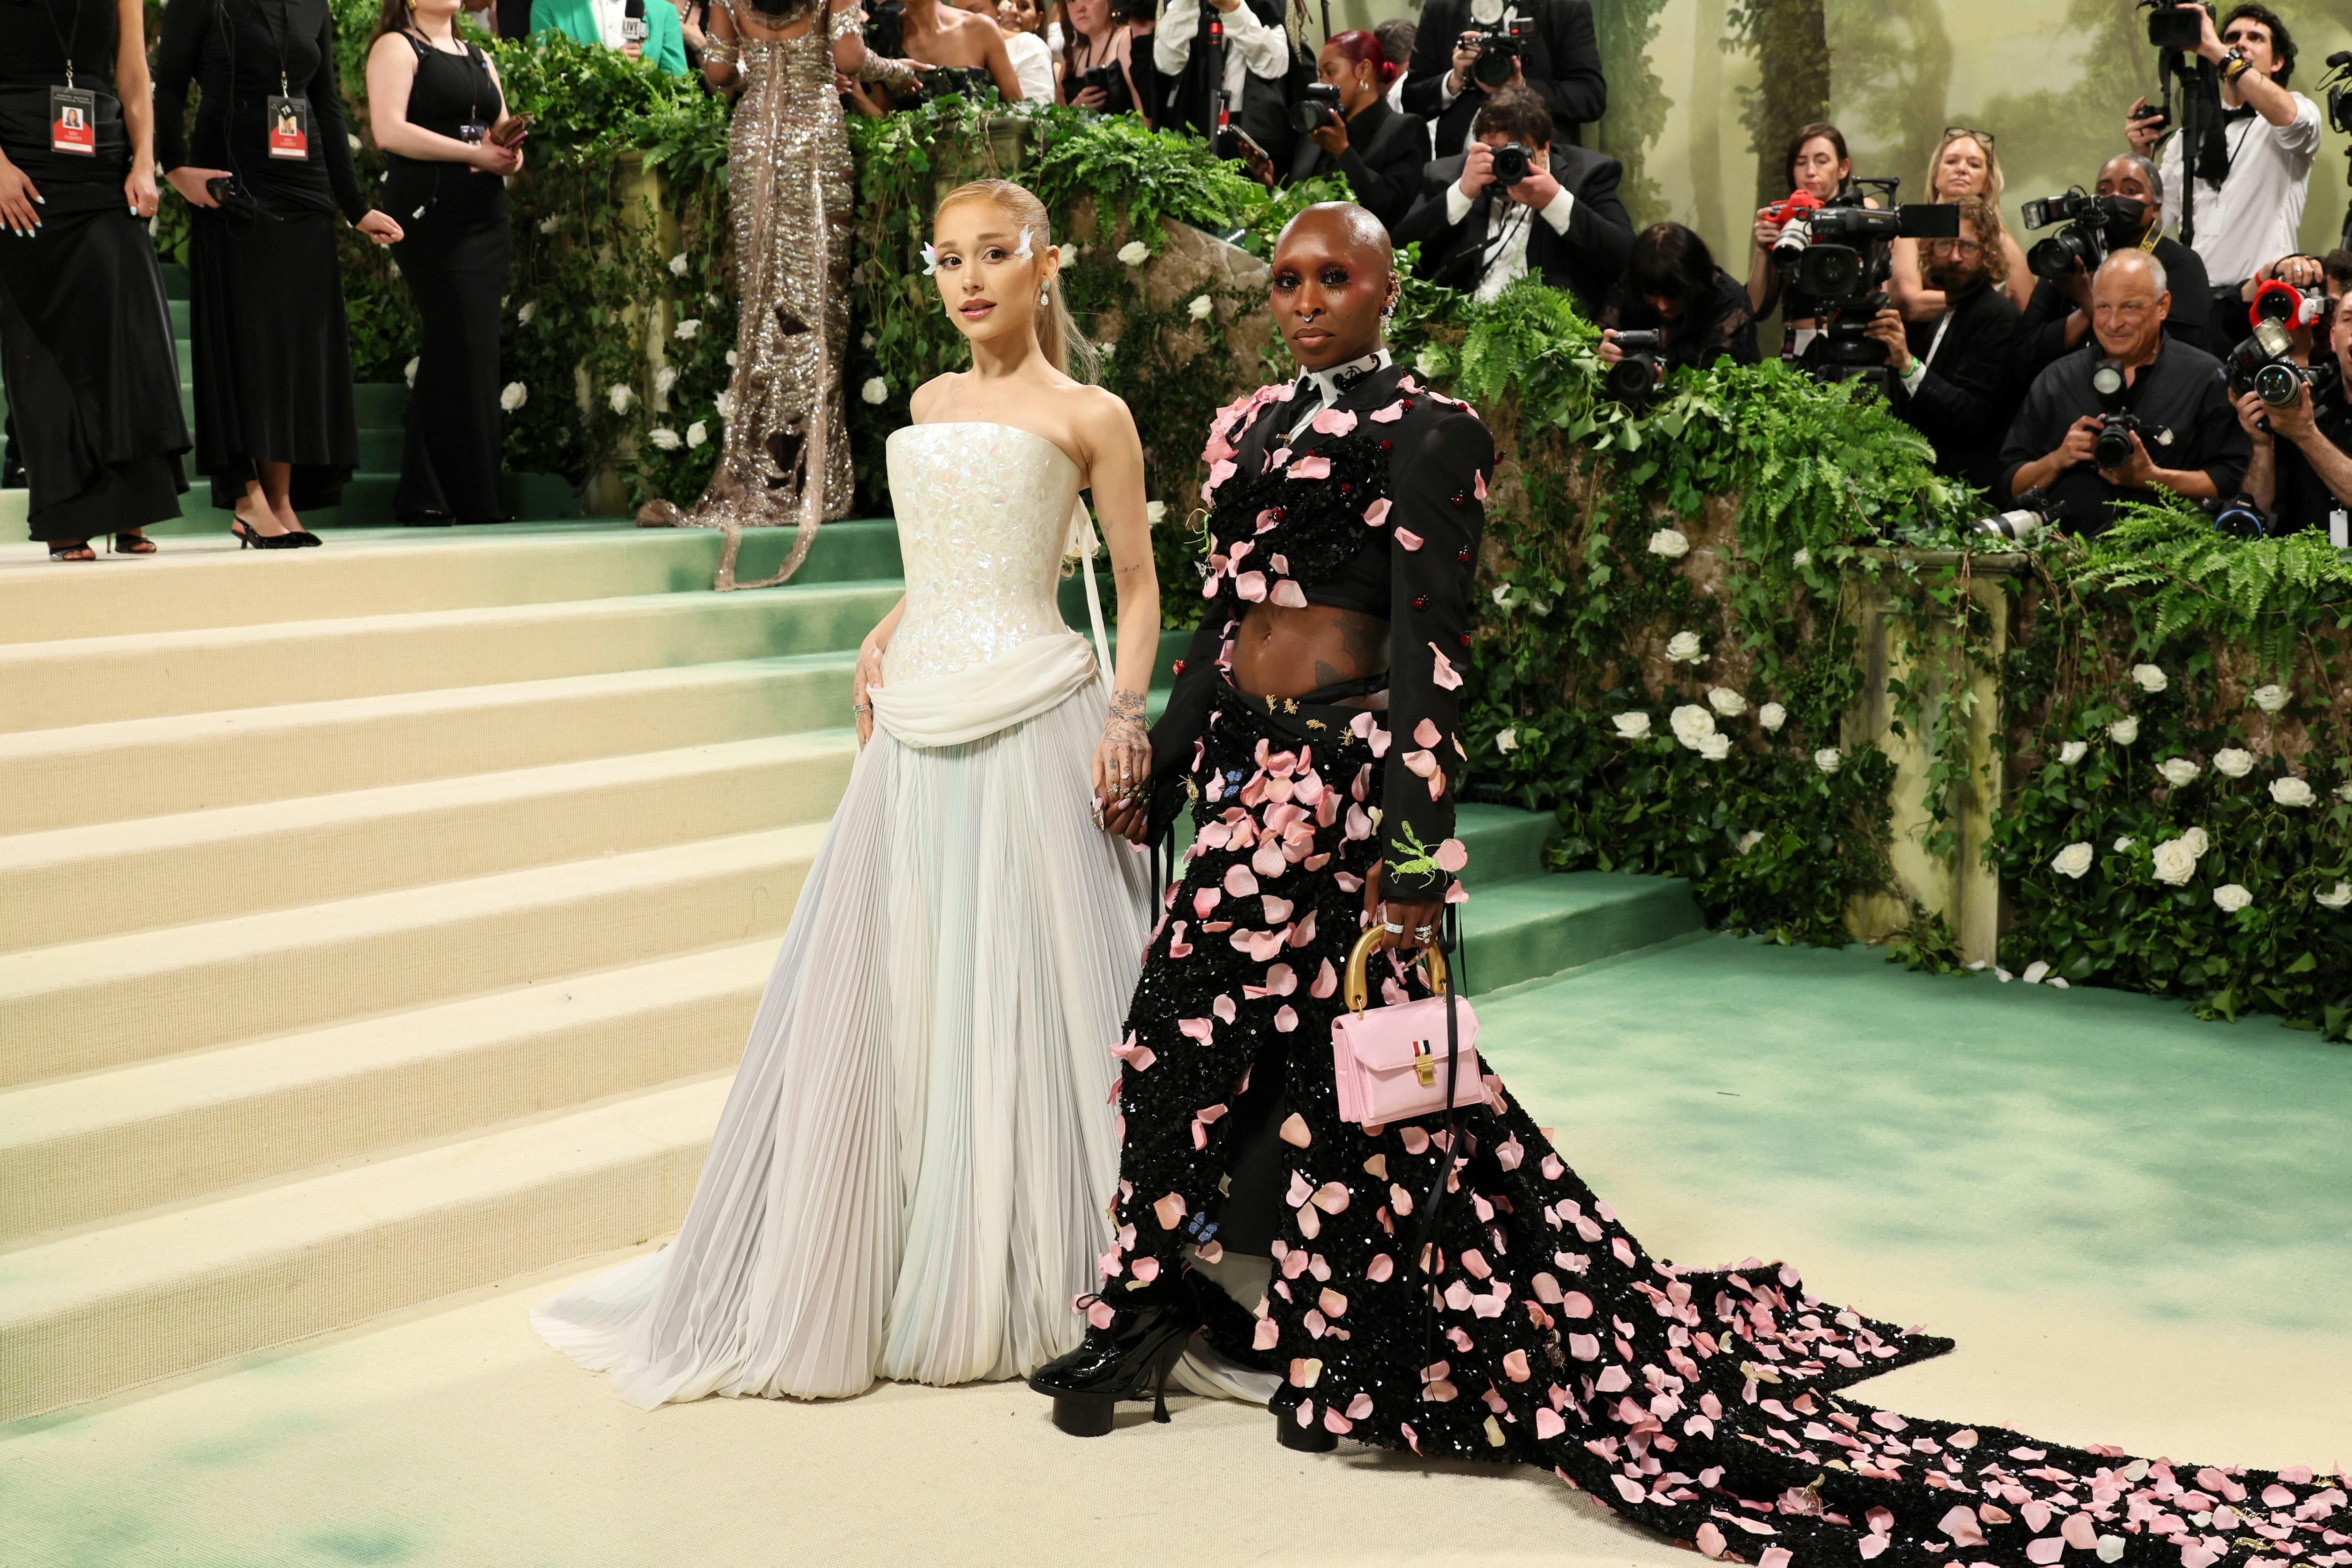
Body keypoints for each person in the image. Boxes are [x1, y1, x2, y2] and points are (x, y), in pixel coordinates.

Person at [1025, 204, 2340, 1568]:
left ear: (1385, 289)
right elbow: (1222, 620)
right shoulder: (1242, 424)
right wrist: (1169, 767)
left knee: (1351, 1075)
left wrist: (1415, 858)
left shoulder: (1434, 426)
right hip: (1242, 777)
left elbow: (1431, 651)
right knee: (1192, 1040)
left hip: (1351, 792)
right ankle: (1152, 1303)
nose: (1304, 298)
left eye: (1333, 276)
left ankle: (1347, 1344)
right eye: (1288, 277)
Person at [536, 178, 1161, 1404]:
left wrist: (1129, 714)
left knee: (1030, 990)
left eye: (993, 253)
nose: (968, 279)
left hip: (1038, 710)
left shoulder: (1095, 414)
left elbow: (1135, 582)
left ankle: (1043, 1265)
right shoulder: (930, 402)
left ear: (1045, 264)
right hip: (917, 714)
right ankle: (885, 1247)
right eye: (946, 259)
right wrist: (885, 629)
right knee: (900, 985)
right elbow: (946, 563)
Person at [637, 0, 916, 535]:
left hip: (753, 146)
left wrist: (750, 68)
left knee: (765, 307)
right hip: (814, 139)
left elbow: (717, 71)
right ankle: (810, 475)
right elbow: (850, 59)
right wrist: (895, 71)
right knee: (818, 305)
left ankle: (767, 472)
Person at [155, 0, 403, 549]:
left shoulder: (313, 4)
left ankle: (282, 500)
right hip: (232, 181)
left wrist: (354, 205)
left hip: (304, 184)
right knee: (247, 344)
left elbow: (327, 102)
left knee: (292, 352)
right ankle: (248, 499)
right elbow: (167, 86)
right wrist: (174, 169)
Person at [0, 0, 189, 562]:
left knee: (129, 332)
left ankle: (130, 507)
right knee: (42, 337)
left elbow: (132, 73)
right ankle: (66, 515)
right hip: (21, 158)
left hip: (103, 154)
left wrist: (143, 159)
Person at [367, 0, 524, 526]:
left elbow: (498, 124)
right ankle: (424, 491)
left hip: (485, 216)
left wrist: (508, 152)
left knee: (476, 347)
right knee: (451, 334)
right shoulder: (398, 46)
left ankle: (476, 494)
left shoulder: (478, 54)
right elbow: (388, 131)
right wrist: (474, 156)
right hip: (431, 213)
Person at [2000, 249, 2248, 534]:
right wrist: (2058, 459)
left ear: (2162, 306)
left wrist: (2152, 478)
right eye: (2103, 307)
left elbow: (2230, 481)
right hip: (2062, 559)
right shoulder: (2057, 379)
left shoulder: (2205, 379)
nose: (2114, 323)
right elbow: (2012, 484)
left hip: (2169, 562)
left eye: (2129, 307)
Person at [2127, 2, 2319, 325]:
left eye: (2255, 38)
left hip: (2262, 299)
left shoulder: (2296, 111)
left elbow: (2290, 119)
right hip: (2196, 303)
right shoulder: (2186, 138)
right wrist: (2141, 158)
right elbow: (2158, 225)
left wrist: (2220, 52)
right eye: (2232, 37)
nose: (2241, 43)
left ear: (2277, 62)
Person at [1392, 85, 1631, 315]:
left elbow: (1625, 259)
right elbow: (1397, 253)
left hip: (1549, 335)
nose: (1506, 162)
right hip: (1457, 334)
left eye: (1517, 152)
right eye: (1494, 150)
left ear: (1545, 148)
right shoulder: (1447, 175)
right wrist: (1462, 194)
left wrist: (1555, 201)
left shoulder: (1588, 175)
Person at [1866, 196, 2022, 495]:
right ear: (1929, 251)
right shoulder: (1944, 317)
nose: (1954, 257)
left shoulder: (1997, 317)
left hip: (1970, 494)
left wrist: (1907, 364)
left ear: (1988, 254)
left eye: (1968, 246)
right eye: (1944, 245)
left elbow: (1971, 419)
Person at [2014, 152, 2213, 381]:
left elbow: (2183, 355)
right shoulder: (2073, 260)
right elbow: (2023, 354)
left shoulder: (2181, 263)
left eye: (2130, 191)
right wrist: (2083, 314)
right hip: (2070, 391)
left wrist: (2090, 303)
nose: (2115, 199)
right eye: (2104, 191)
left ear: (2156, 208)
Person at [2233, 263, 2352, 537]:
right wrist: (2263, 445)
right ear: (2334, 339)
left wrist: (2306, 435)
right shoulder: (2299, 402)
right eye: (2348, 319)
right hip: (2294, 570)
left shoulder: (2299, 422)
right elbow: (2255, 516)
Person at [1400, 0, 1604, 157]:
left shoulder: (1564, 7)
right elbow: (1411, 99)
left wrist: (1521, 87)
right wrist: (1454, 80)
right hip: (1461, 169)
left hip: (1542, 164)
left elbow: (1591, 97)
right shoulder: (1442, 7)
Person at [1287, 30, 1428, 235]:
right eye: (1321, 74)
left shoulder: (1405, 129)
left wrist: (1343, 153)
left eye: (1331, 72)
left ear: (1363, 70)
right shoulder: (1320, 130)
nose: (1324, 83)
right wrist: (1269, 180)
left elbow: (1391, 210)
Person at [1889, 127, 2033, 317]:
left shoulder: (1999, 238)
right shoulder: (1909, 227)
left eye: (1974, 165)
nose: (1962, 169)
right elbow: (1911, 305)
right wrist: (1990, 300)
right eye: (1951, 161)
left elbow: (2029, 310)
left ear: (1987, 183)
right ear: (1935, 176)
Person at [1597, 222, 1760, 381]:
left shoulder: (1730, 308)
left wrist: (1667, 386)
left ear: (1695, 285)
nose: (1662, 306)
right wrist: (1603, 353)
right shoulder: (1636, 284)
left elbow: (1717, 387)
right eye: (1651, 294)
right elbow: (1598, 336)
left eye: (1673, 295)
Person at [1746, 121, 1855, 353]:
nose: (1811, 172)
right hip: (1796, 344)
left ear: (1843, 168)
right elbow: (1754, 309)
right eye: (1801, 163)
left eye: (1822, 161)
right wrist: (1762, 251)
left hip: (1849, 340)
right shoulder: (1786, 219)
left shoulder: (1859, 213)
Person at [1153, 0, 1291, 168]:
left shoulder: (1267, 4)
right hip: (1194, 122)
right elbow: (1167, 64)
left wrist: (1233, 8)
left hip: (1249, 131)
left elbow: (1274, 66)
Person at [529, 0, 692, 73]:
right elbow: (544, 74)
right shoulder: (548, 5)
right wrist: (607, 64)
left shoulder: (663, 11)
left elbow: (677, 82)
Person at [1059, 0, 1149, 119]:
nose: (1080, 8)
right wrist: (1075, 109)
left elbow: (1145, 116)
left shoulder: (1126, 39)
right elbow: (1056, 122)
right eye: (1072, 1)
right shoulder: (1072, 54)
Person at [994, 0, 1057, 102]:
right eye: (1006, 5)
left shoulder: (1033, 45)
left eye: (1023, 7)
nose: (1013, 11)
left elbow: (1036, 110)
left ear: (1038, 20)